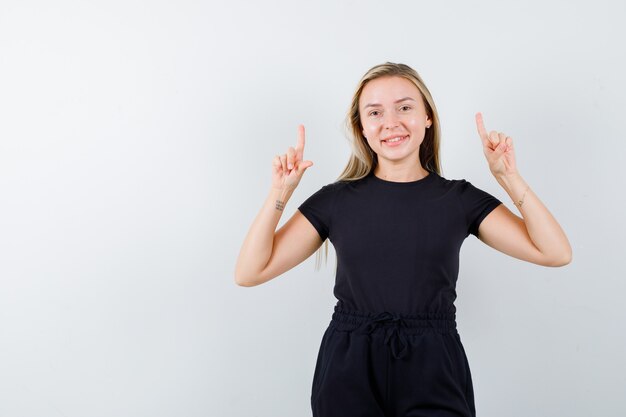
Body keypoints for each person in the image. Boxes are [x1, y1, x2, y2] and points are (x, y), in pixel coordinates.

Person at [234, 62, 572, 417]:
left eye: (405, 107)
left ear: (427, 117)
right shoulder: (335, 201)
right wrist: (280, 193)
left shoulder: (459, 200)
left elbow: (555, 252)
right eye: (375, 112)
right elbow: (249, 272)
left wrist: (508, 176)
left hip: (434, 363)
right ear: (362, 128)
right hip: (349, 364)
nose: (390, 122)